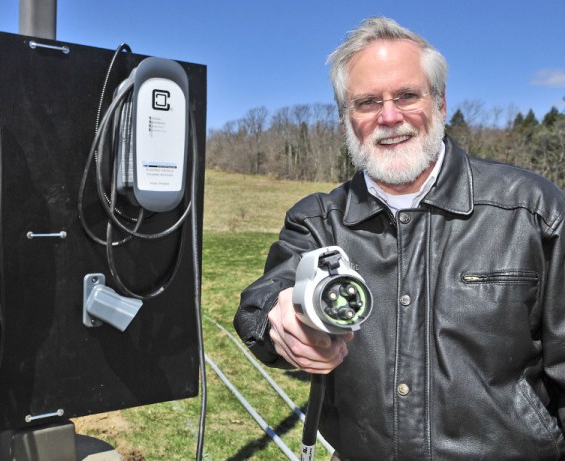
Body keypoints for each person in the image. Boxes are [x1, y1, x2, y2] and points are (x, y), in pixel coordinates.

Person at [234, 16, 565, 461]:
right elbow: (263, 299)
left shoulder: (531, 210)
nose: (389, 117)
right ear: (345, 119)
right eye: (367, 102)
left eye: (407, 96)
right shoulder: (319, 220)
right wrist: (280, 321)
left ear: (441, 103)